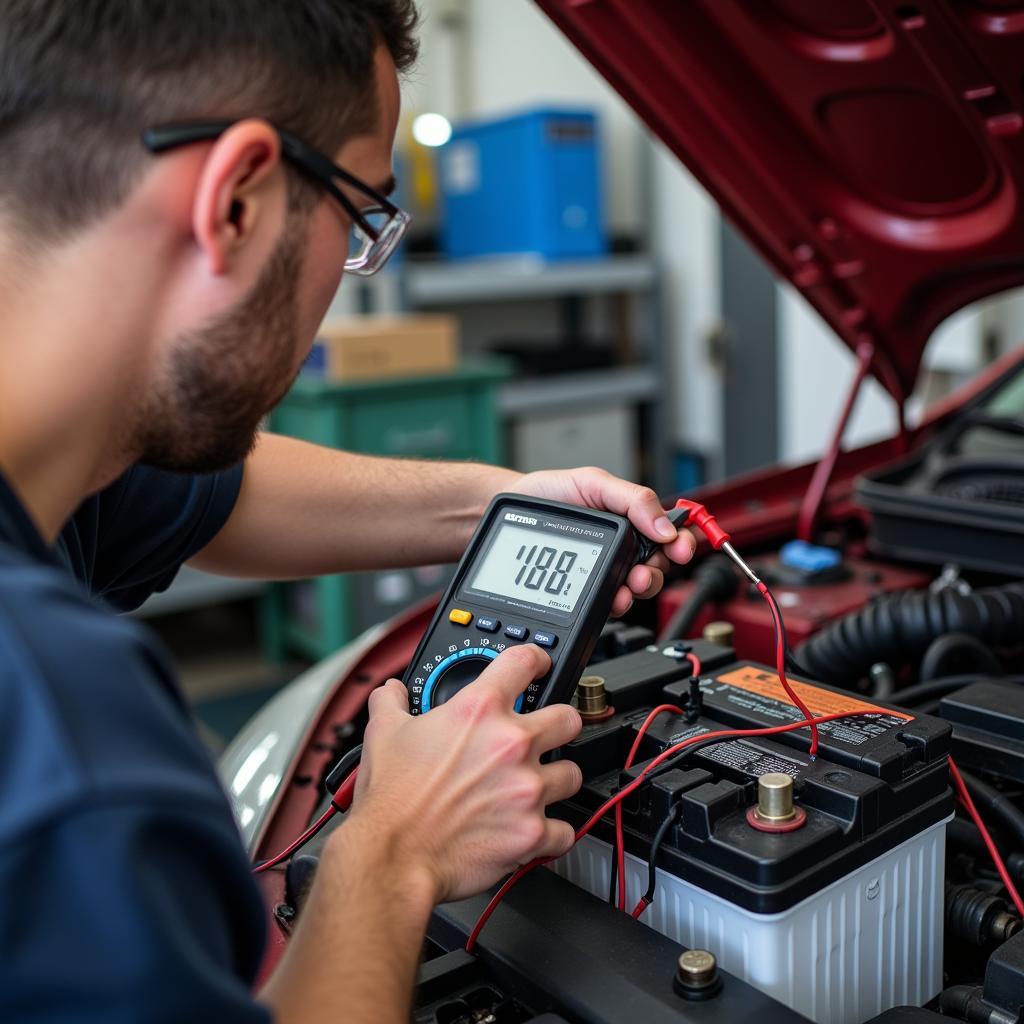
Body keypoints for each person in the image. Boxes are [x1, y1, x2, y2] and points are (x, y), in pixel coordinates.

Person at [0, 2, 695, 1021]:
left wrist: (502, 507)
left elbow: (206, 495)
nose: (350, 266)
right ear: (235, 200)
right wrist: (393, 852)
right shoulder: (67, 755)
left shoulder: (56, 465)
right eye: (362, 217)